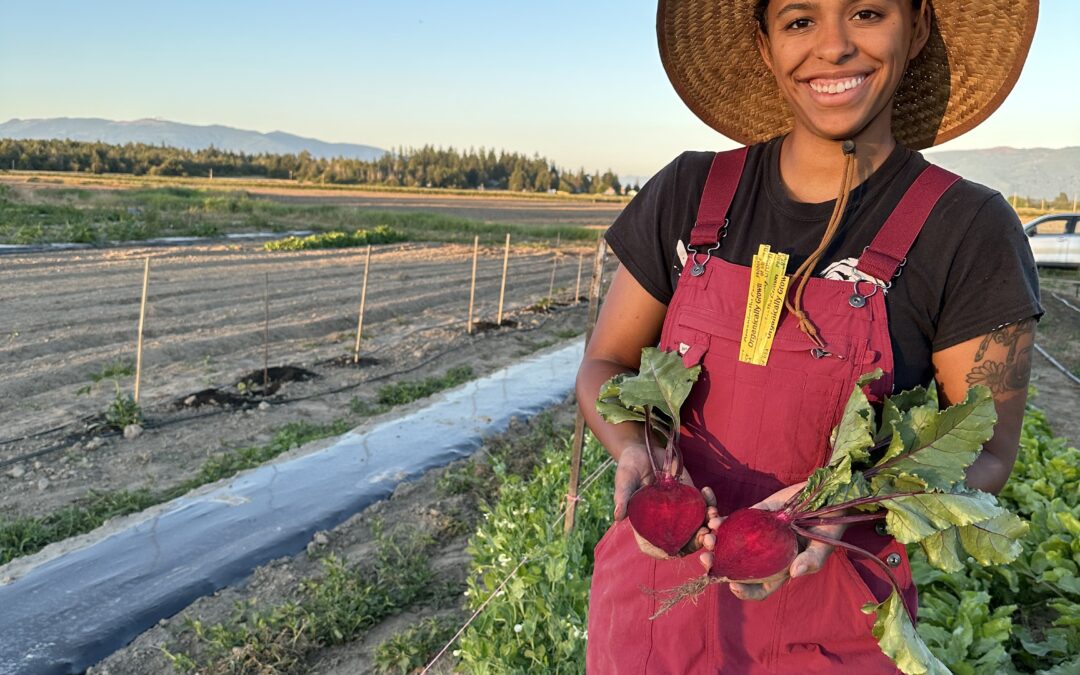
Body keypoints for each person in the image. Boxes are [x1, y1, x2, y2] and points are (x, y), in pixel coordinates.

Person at [576, 0, 1042, 672]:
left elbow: (990, 453)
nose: (833, 47)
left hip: (832, 632)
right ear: (766, 47)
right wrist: (636, 449)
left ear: (916, 28)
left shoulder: (969, 230)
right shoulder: (689, 192)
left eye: (867, 13)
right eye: (799, 20)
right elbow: (605, 363)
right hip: (647, 616)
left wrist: (853, 496)